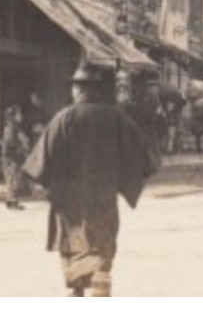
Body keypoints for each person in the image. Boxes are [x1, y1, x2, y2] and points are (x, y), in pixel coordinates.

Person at [23, 61, 152, 297]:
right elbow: (143, 155)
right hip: (103, 199)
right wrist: (123, 179)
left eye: (76, 87)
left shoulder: (63, 119)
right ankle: (100, 293)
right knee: (102, 250)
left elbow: (41, 161)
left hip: (69, 202)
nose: (74, 91)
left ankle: (77, 295)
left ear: (83, 90)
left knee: (73, 248)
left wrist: (45, 186)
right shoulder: (117, 118)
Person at [1, 104, 30, 210]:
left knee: (14, 178)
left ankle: (11, 200)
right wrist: (21, 148)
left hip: (14, 157)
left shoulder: (14, 127)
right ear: (13, 116)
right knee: (12, 178)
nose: (20, 116)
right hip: (11, 157)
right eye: (19, 114)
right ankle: (12, 201)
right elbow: (10, 142)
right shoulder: (11, 127)